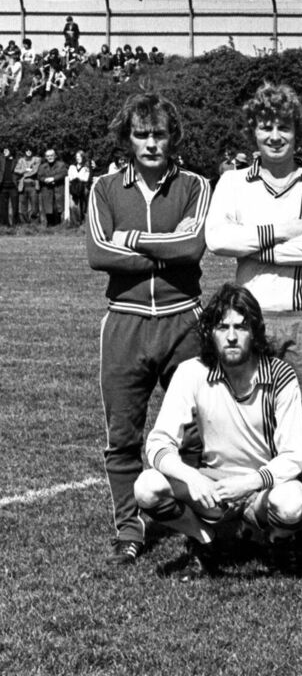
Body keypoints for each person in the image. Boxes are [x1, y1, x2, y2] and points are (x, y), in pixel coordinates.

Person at [87, 93, 211, 565]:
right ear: (127, 139)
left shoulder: (196, 185)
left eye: (159, 134)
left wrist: (133, 240)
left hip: (185, 319)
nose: (151, 143)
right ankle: (129, 528)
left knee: (197, 434)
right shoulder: (104, 188)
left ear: (172, 136)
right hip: (125, 322)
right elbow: (99, 253)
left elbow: (193, 247)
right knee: (123, 435)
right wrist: (167, 247)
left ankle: (199, 522)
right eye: (142, 134)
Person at [133, 284, 302, 580]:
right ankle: (205, 541)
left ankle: (278, 542)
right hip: (214, 487)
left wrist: (251, 482)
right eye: (222, 327)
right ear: (209, 333)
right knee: (147, 487)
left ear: (255, 331)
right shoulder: (192, 372)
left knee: (291, 503)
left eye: (241, 327)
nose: (231, 336)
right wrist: (192, 477)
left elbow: (293, 457)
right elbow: (158, 443)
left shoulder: (280, 375)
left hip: (263, 488)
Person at [205, 83, 302, 421]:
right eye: (266, 127)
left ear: (297, 132)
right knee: (250, 417)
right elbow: (217, 239)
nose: (275, 136)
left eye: (284, 127)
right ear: (253, 132)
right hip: (248, 321)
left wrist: (257, 250)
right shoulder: (233, 182)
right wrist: (278, 232)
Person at [36, 147, 68, 227]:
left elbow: (63, 173)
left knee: (58, 207)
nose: (50, 157)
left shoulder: (61, 164)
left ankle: (58, 225)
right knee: (48, 208)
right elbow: (39, 176)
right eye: (48, 156)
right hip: (47, 189)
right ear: (46, 157)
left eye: (51, 155)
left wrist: (53, 179)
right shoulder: (42, 166)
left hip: (58, 189)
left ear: (55, 156)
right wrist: (45, 180)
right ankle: (49, 225)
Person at [66, 149, 91, 228]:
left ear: (83, 157)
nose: (78, 158)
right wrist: (78, 177)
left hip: (83, 188)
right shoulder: (72, 167)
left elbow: (86, 178)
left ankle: (84, 223)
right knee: (74, 205)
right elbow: (70, 177)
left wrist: (77, 177)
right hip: (74, 188)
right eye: (76, 156)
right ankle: (76, 223)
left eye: (79, 156)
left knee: (83, 205)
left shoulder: (86, 167)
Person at [15, 148, 41, 224]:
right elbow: (16, 170)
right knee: (23, 207)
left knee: (35, 206)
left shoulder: (37, 159)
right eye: (27, 150)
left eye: (30, 150)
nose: (28, 152)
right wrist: (26, 169)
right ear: (25, 152)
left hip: (33, 185)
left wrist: (23, 172)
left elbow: (35, 171)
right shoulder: (21, 160)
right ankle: (25, 223)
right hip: (23, 186)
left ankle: (35, 224)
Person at [0, 146, 17, 227]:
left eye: (6, 150)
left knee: (15, 206)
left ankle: (15, 223)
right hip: (3, 186)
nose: (4, 152)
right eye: (4, 151)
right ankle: (5, 224)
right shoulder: (1, 160)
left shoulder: (15, 160)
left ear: (10, 151)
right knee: (3, 207)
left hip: (13, 186)